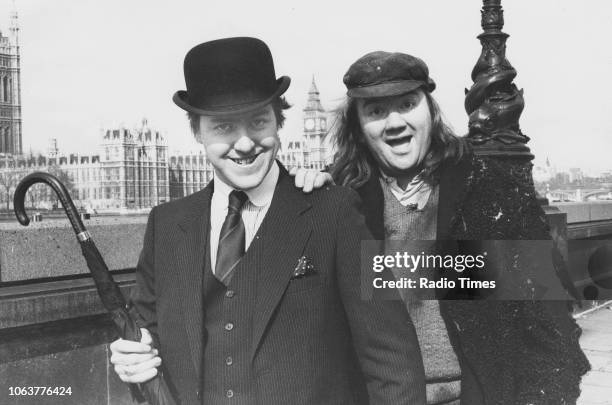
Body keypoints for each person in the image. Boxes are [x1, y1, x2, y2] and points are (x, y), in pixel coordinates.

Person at [109, 37, 427, 405]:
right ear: (197, 132)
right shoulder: (167, 224)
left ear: (279, 121)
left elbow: (392, 362)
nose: (244, 144)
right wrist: (134, 357)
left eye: (258, 121)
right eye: (223, 128)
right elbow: (145, 334)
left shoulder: (334, 211)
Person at [294, 51, 590, 404]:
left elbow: (549, 323)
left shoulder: (485, 186)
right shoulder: (343, 201)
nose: (394, 123)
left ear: (430, 110)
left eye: (407, 104)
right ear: (358, 127)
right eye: (375, 111)